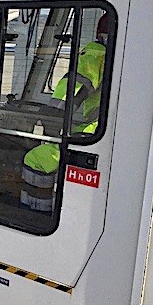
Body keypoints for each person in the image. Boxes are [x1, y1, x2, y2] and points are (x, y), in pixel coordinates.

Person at [20, 13, 109, 210]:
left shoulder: (96, 53)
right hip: (104, 127)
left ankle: (37, 213)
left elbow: (77, 84)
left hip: (93, 130)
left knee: (37, 160)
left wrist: (53, 113)